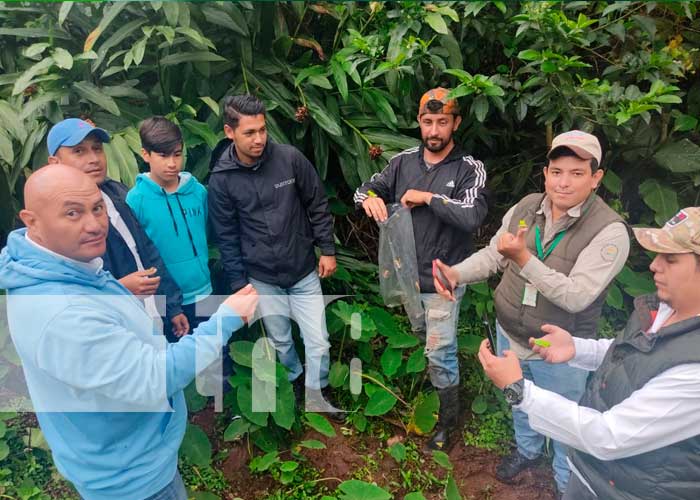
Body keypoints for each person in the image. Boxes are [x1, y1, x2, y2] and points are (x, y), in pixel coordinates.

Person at [0, 164, 258, 500]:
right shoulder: (63, 314)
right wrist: (225, 318)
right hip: (132, 479)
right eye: (73, 213)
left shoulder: (55, 269)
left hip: (127, 451)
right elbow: (154, 377)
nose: (94, 225)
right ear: (30, 220)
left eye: (97, 208)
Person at [434, 130, 630, 495]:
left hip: (562, 349)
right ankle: (527, 451)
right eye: (557, 171)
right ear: (545, 173)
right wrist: (456, 273)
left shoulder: (610, 232)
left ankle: (562, 480)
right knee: (518, 399)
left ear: (596, 177)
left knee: (565, 418)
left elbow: (575, 297)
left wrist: (524, 258)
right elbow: (495, 253)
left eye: (576, 173)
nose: (564, 182)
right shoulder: (527, 206)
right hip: (510, 330)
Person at [478, 207, 700, 500]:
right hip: (593, 474)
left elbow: (609, 436)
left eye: (670, 259)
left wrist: (520, 392)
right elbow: (633, 356)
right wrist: (577, 348)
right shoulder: (665, 311)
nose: (654, 266)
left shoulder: (694, 373)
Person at [354, 88, 489, 450]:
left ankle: (447, 424)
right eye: (428, 122)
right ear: (419, 122)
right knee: (424, 344)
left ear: (456, 123)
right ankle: (435, 401)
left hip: (445, 279)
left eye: (442, 122)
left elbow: (473, 215)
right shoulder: (402, 162)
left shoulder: (468, 168)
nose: (434, 130)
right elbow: (364, 189)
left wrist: (428, 197)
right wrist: (372, 201)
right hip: (408, 279)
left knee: (440, 351)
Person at [207, 95, 341, 418]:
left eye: (262, 130)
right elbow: (226, 236)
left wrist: (328, 249)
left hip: (303, 268)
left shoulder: (289, 159)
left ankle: (315, 393)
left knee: (319, 340)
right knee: (281, 341)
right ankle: (294, 383)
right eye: (249, 132)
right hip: (261, 276)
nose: (259, 139)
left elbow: (317, 203)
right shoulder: (221, 180)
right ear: (230, 132)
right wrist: (241, 285)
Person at [47, 118, 189, 338]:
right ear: (54, 163)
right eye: (79, 151)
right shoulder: (54, 223)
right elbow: (63, 300)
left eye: (97, 149)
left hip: (151, 316)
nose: (94, 159)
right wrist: (120, 289)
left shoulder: (117, 193)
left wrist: (172, 306)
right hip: (113, 334)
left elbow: (147, 251)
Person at [126, 116, 211, 342]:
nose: (172, 163)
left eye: (177, 154)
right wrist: (169, 304)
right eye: (163, 156)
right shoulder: (136, 200)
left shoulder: (198, 192)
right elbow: (140, 254)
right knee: (177, 362)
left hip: (205, 290)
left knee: (215, 358)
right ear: (146, 155)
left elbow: (206, 231)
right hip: (168, 299)